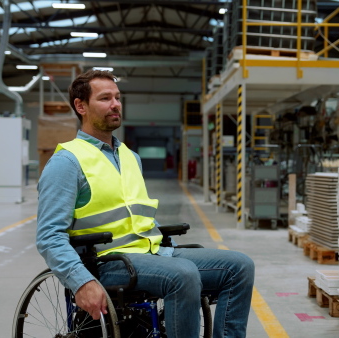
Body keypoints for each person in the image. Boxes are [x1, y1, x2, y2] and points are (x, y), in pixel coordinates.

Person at [36, 69, 255, 338]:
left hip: (150, 254)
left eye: (117, 97)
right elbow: (49, 236)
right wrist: (81, 282)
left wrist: (167, 246)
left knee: (239, 266)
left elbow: (137, 214)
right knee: (183, 275)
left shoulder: (130, 157)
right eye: (105, 98)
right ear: (81, 106)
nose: (115, 104)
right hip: (106, 262)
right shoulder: (66, 162)